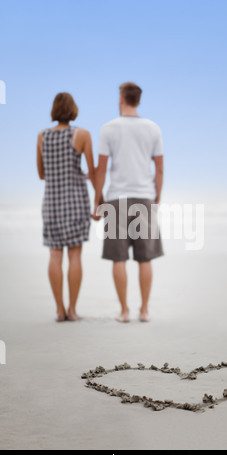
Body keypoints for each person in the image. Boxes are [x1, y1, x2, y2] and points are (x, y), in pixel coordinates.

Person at [94, 82, 164, 323]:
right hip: (144, 197)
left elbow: (101, 170)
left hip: (116, 199)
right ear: (139, 100)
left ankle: (124, 311)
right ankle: (144, 310)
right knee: (145, 258)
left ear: (122, 98)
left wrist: (98, 199)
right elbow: (160, 169)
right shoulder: (153, 128)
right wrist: (157, 199)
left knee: (118, 258)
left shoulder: (108, 128)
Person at [37, 92, 95, 322]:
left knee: (54, 254)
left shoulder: (42, 136)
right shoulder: (81, 134)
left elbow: (41, 173)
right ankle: (72, 309)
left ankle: (59, 310)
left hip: (51, 202)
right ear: (73, 110)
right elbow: (93, 171)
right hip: (75, 202)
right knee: (75, 255)